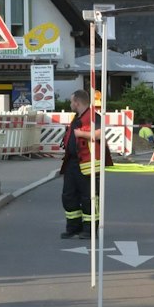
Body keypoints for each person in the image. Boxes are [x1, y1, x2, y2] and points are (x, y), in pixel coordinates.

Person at [60, 89, 100, 238]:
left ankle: (89, 230)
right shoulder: (77, 117)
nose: (70, 104)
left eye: (71, 101)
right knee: (69, 195)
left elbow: (99, 134)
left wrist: (81, 134)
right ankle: (73, 227)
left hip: (87, 164)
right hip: (72, 163)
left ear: (77, 102)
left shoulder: (93, 117)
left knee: (88, 197)